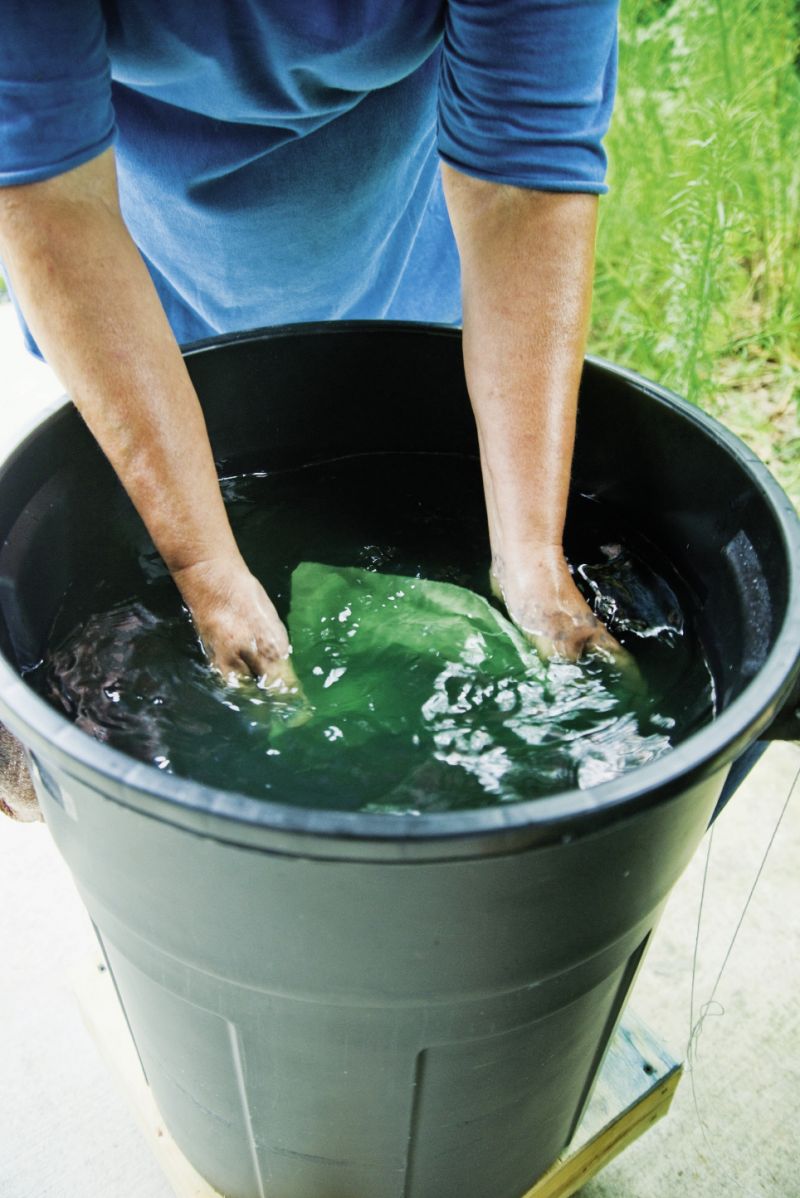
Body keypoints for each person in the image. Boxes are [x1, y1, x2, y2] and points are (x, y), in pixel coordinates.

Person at [5, 0, 731, 824]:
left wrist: (534, 564)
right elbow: (52, 196)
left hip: (390, 204)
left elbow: (521, 190)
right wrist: (203, 569)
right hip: (133, 245)